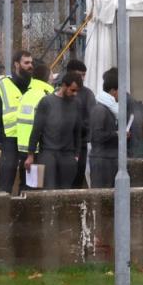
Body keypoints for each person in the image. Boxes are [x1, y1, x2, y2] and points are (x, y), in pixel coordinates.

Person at [25, 71, 84, 189]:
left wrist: (76, 154)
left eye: (77, 91)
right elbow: (36, 129)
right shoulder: (47, 102)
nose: (75, 94)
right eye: (72, 90)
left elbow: (77, 131)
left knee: (66, 191)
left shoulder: (76, 104)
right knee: (49, 190)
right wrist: (30, 154)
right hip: (48, 152)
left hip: (68, 154)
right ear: (64, 86)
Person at [0, 50, 33, 193]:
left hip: (31, 142)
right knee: (5, 182)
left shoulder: (35, 86)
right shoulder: (3, 86)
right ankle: (1, 213)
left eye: (31, 62)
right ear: (17, 64)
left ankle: (25, 213)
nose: (30, 66)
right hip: (10, 139)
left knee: (30, 184)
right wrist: (0, 139)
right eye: (26, 63)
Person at [15, 62, 56, 181]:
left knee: (26, 184)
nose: (53, 79)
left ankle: (21, 200)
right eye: (51, 76)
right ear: (47, 78)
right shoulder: (46, 96)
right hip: (38, 149)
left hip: (24, 148)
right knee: (37, 185)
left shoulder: (26, 95)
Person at [64, 58, 96, 188]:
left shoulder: (88, 94)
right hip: (62, 145)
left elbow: (92, 119)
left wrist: (79, 127)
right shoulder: (59, 91)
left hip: (81, 144)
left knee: (77, 178)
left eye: (84, 75)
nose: (82, 78)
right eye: (79, 75)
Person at [89, 67, 120, 188]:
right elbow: (96, 136)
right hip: (102, 161)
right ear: (113, 91)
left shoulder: (109, 109)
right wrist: (116, 134)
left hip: (109, 159)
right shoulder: (100, 110)